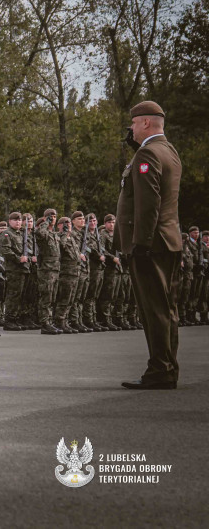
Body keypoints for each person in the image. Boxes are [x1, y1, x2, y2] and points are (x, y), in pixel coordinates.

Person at [116, 101, 183, 389]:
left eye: (132, 124)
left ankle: (159, 371)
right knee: (166, 309)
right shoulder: (168, 151)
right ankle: (167, 367)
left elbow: (148, 204)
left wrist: (140, 243)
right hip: (167, 241)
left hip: (150, 245)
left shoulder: (148, 153)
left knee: (154, 309)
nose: (130, 129)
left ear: (144, 123)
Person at [34, 209, 62, 335]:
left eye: (55, 217)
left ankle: (50, 322)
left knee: (52, 297)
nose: (53, 219)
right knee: (46, 296)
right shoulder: (43, 232)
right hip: (46, 269)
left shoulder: (54, 234)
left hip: (55, 269)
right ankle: (45, 324)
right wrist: (45, 222)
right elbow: (39, 233)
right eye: (51, 217)